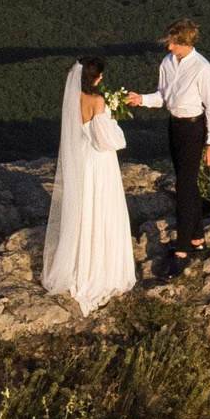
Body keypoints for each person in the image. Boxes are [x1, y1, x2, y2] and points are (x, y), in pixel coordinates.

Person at [39, 55, 135, 313]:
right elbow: (107, 141)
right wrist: (114, 122)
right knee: (103, 210)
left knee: (83, 212)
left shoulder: (72, 100)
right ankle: (101, 271)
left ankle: (78, 264)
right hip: (99, 164)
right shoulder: (97, 101)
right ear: (97, 78)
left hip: (80, 161)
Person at [128, 17, 210, 275]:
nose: (168, 47)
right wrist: (141, 100)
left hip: (194, 127)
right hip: (175, 125)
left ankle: (181, 251)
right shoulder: (168, 63)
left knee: (184, 186)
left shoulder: (202, 68)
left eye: (172, 43)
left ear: (184, 42)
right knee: (187, 182)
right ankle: (198, 239)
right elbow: (163, 96)